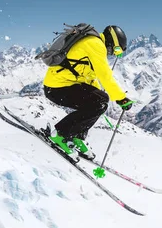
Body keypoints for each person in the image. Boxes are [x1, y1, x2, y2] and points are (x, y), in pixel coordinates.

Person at [43, 25, 134, 161]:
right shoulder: (96, 44)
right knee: (99, 102)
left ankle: (76, 137)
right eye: (115, 49)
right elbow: (105, 76)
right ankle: (60, 135)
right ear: (111, 41)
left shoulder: (92, 43)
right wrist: (121, 98)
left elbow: (91, 79)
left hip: (59, 86)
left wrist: (100, 98)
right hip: (57, 87)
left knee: (99, 102)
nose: (112, 53)